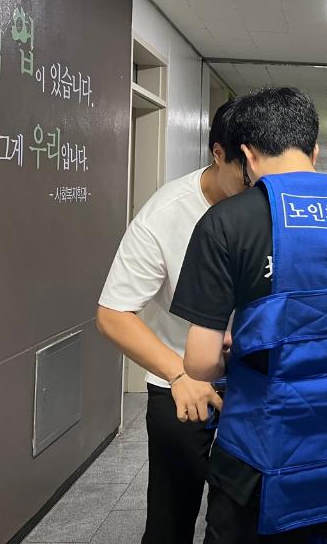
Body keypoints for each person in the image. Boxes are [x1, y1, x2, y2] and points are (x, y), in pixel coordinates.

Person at [169, 87, 327, 543]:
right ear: (314, 150)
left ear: (247, 154)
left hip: (257, 455)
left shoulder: (227, 221)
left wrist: (239, 350)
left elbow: (200, 363)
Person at [96, 100, 245, 543]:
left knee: (244, 516)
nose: (255, 183)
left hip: (251, 381)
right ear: (218, 154)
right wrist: (178, 373)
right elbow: (113, 313)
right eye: (244, 171)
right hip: (180, 381)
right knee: (171, 517)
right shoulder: (166, 213)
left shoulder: (266, 207)